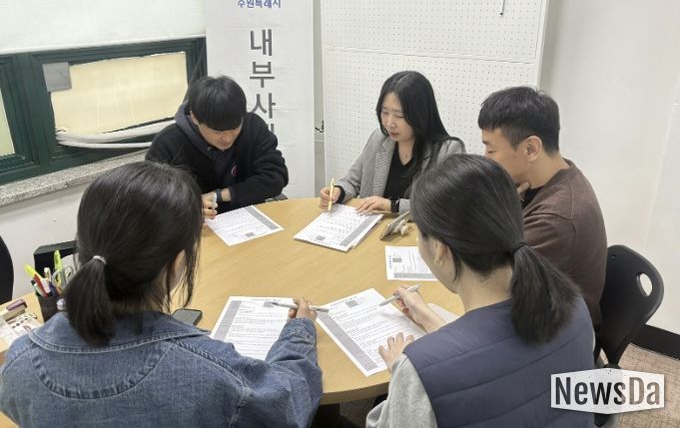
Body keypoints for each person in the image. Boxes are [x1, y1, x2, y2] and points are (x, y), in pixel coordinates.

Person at [0, 162, 321, 428]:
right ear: (179, 262)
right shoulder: (210, 373)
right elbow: (287, 406)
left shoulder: (19, 363)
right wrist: (299, 333)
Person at [367, 155, 594, 428]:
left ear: (439, 248)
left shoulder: (421, 373)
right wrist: (426, 317)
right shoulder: (574, 306)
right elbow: (500, 363)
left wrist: (404, 377)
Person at [478, 86, 607, 328]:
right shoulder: (554, 175)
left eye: (491, 149)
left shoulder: (557, 218)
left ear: (531, 149)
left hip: (556, 333)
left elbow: (490, 280)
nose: (486, 158)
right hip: (536, 308)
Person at [320, 71, 464, 214]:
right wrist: (338, 191)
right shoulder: (379, 139)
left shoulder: (448, 151)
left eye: (399, 115)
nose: (389, 123)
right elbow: (352, 181)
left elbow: (445, 207)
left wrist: (392, 206)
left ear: (420, 114)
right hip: (371, 225)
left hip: (414, 229)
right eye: (385, 112)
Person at [147, 75, 288, 217]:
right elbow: (152, 198)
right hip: (194, 223)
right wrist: (189, 206)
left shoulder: (253, 127)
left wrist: (218, 196)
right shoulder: (168, 143)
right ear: (195, 117)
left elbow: (276, 177)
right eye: (217, 132)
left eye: (234, 129)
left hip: (250, 217)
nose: (227, 139)